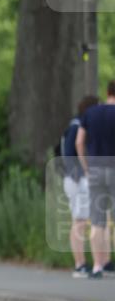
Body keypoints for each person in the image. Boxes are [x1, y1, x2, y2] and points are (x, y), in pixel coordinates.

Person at [76, 80, 115, 279]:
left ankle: (98, 266)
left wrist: (86, 166)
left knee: (98, 221)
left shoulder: (90, 113)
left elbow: (79, 141)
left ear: (107, 92)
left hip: (96, 169)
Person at [61, 96, 99, 277]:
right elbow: (70, 153)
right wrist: (81, 175)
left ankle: (81, 263)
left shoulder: (75, 124)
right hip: (76, 179)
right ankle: (80, 264)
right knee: (80, 221)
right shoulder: (77, 126)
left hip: (74, 178)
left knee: (80, 221)